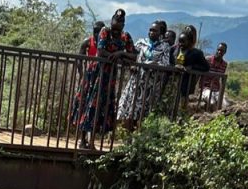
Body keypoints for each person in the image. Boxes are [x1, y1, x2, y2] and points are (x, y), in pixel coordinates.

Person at [78, 8, 135, 146]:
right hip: (97, 72)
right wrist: (117, 57)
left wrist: (120, 54)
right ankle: (83, 139)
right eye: (116, 20)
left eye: (121, 21)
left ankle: (93, 141)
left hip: (110, 76)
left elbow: (133, 55)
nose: (118, 23)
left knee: (103, 107)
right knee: (90, 104)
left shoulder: (125, 36)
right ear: (112, 20)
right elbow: (101, 51)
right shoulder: (105, 32)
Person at [118, 21, 172, 130]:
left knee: (145, 112)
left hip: (151, 85)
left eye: (155, 31)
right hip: (137, 82)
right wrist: (132, 64)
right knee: (131, 108)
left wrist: (153, 64)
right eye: (150, 30)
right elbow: (133, 55)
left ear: (160, 33)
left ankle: (140, 135)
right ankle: (127, 133)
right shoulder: (141, 43)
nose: (151, 32)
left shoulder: (164, 47)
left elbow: (166, 64)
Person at [70, 20, 105, 134]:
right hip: (88, 78)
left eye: (99, 32)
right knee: (83, 105)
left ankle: (93, 135)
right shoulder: (87, 42)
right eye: (95, 31)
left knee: (96, 107)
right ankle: (82, 135)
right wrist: (82, 75)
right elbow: (79, 60)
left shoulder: (106, 44)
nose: (97, 34)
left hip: (100, 78)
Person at [176, 31, 210, 105]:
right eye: (179, 41)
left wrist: (191, 67)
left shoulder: (196, 53)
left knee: (182, 105)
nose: (180, 44)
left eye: (183, 42)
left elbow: (206, 67)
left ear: (189, 41)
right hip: (174, 82)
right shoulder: (175, 50)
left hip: (186, 84)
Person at [200, 42, 228, 109]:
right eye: (218, 50)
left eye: (222, 51)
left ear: (225, 52)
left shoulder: (224, 64)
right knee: (212, 102)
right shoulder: (208, 60)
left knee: (225, 105)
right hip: (206, 88)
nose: (219, 52)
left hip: (216, 90)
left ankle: (219, 115)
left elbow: (220, 79)